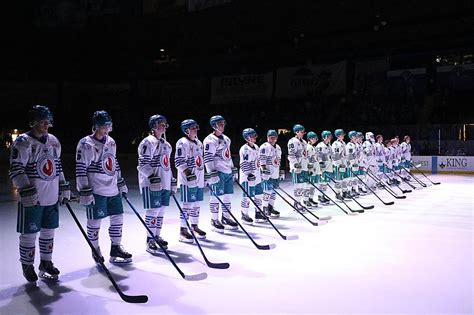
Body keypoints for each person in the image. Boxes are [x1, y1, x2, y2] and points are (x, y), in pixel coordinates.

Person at [9, 105, 70, 282]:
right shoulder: (22, 142)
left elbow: (57, 166)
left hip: (51, 196)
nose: (46, 124)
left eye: (48, 121)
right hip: (33, 198)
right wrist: (25, 189)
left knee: (49, 231)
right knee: (29, 233)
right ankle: (27, 265)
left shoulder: (53, 141)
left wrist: (63, 186)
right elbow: (16, 167)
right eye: (42, 121)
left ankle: (46, 262)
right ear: (33, 122)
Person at [76, 110, 132, 264]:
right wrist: (84, 190)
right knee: (95, 221)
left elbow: (114, 162)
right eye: (103, 126)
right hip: (96, 190)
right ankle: (95, 249)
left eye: (108, 125)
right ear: (95, 126)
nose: (106, 129)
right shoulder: (85, 144)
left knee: (118, 217)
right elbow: (81, 168)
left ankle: (115, 247)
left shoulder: (111, 141)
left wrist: (120, 181)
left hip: (112, 188)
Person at [137, 114, 175, 254]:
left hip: (164, 183)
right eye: (161, 124)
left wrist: (172, 180)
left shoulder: (167, 145)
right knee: (153, 211)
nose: (164, 126)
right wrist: (152, 177)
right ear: (154, 126)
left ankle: (157, 235)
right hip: (151, 184)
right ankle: (150, 239)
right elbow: (142, 164)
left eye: (165, 124)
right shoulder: (148, 142)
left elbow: (168, 165)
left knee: (161, 211)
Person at [203, 115, 238, 233]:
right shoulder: (209, 140)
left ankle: (226, 217)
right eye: (220, 124)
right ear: (214, 126)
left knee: (228, 196)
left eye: (223, 123)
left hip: (227, 171)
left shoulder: (227, 139)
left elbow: (228, 155)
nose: (223, 126)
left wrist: (233, 168)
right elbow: (208, 158)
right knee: (216, 197)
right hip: (218, 172)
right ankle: (214, 220)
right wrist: (211, 173)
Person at [175, 119, 207, 243]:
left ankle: (194, 226)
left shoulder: (199, 143)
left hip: (198, 180)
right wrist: (188, 173)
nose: (196, 129)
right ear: (186, 130)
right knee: (187, 205)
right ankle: (183, 230)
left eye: (196, 127)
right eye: (193, 128)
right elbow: (179, 161)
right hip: (187, 180)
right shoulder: (182, 142)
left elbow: (200, 161)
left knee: (197, 204)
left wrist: (203, 177)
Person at [238, 128, 265, 224]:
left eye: (255, 135)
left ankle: (258, 213)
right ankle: (244, 214)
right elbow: (243, 163)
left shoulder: (256, 147)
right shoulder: (244, 149)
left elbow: (258, 161)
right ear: (247, 137)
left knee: (259, 195)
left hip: (257, 175)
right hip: (247, 177)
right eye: (252, 135)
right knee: (248, 196)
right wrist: (249, 174)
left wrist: (261, 170)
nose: (255, 137)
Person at [259, 129, 283, 218]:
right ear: (267, 137)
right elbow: (262, 160)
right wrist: (264, 170)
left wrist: (280, 171)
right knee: (267, 191)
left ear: (276, 138)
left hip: (275, 173)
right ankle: (264, 207)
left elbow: (278, 161)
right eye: (271, 137)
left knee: (274, 192)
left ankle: (270, 207)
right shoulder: (264, 147)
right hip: (267, 174)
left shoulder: (278, 147)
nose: (272, 139)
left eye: (274, 137)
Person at [287, 124, 309, 211]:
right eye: (301, 131)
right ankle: (296, 203)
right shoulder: (292, 141)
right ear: (296, 132)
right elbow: (291, 155)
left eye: (304, 131)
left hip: (304, 166)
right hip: (297, 168)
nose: (303, 133)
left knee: (303, 185)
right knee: (298, 186)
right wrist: (296, 164)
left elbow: (305, 155)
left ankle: (299, 201)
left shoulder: (304, 142)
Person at [315, 130, 333, 205]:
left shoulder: (329, 145)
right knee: (322, 183)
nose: (330, 138)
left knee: (325, 183)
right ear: (324, 137)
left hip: (328, 167)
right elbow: (318, 157)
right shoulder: (320, 146)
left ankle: (323, 195)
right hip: (323, 168)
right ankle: (320, 196)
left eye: (330, 136)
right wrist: (321, 168)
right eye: (328, 136)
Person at [331, 129, 349, 201]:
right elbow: (336, 156)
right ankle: (337, 194)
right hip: (338, 165)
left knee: (344, 179)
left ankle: (344, 192)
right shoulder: (335, 144)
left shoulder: (343, 143)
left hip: (343, 164)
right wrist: (340, 164)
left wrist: (346, 162)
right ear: (338, 136)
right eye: (342, 135)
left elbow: (344, 154)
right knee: (338, 180)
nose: (343, 136)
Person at [305, 131, 321, 207]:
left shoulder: (313, 147)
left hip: (315, 169)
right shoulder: (308, 147)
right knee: (308, 185)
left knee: (313, 185)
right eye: (315, 138)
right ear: (310, 138)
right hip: (311, 169)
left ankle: (310, 198)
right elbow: (308, 158)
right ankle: (306, 199)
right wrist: (310, 167)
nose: (316, 140)